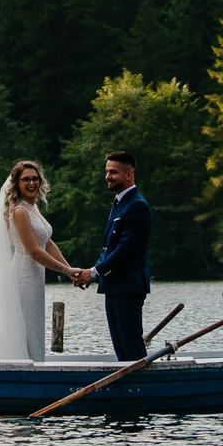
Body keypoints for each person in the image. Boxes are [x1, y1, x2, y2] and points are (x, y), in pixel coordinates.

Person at [0, 159, 83, 360]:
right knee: (28, 328)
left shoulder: (33, 208)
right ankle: (29, 367)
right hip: (23, 275)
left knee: (35, 327)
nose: (32, 183)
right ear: (17, 184)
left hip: (35, 275)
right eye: (26, 180)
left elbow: (48, 244)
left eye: (35, 179)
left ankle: (36, 364)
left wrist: (72, 272)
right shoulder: (20, 211)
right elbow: (34, 251)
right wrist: (67, 271)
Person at [71, 150, 153, 359]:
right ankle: (128, 389)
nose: (108, 176)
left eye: (113, 172)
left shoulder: (137, 205)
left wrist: (95, 273)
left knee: (131, 349)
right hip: (114, 286)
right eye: (107, 172)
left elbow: (126, 250)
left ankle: (140, 389)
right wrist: (91, 271)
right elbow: (109, 248)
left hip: (128, 287)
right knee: (121, 350)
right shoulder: (119, 203)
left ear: (129, 174)